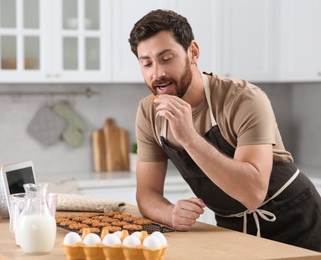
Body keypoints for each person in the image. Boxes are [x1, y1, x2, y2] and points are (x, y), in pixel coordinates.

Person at [128, 9, 321, 252]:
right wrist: (169, 213)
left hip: (297, 221)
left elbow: (252, 194)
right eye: (146, 64)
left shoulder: (243, 99)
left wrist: (188, 137)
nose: (157, 74)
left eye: (167, 59)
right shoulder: (149, 113)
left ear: (193, 52)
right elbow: (146, 193)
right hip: (231, 230)